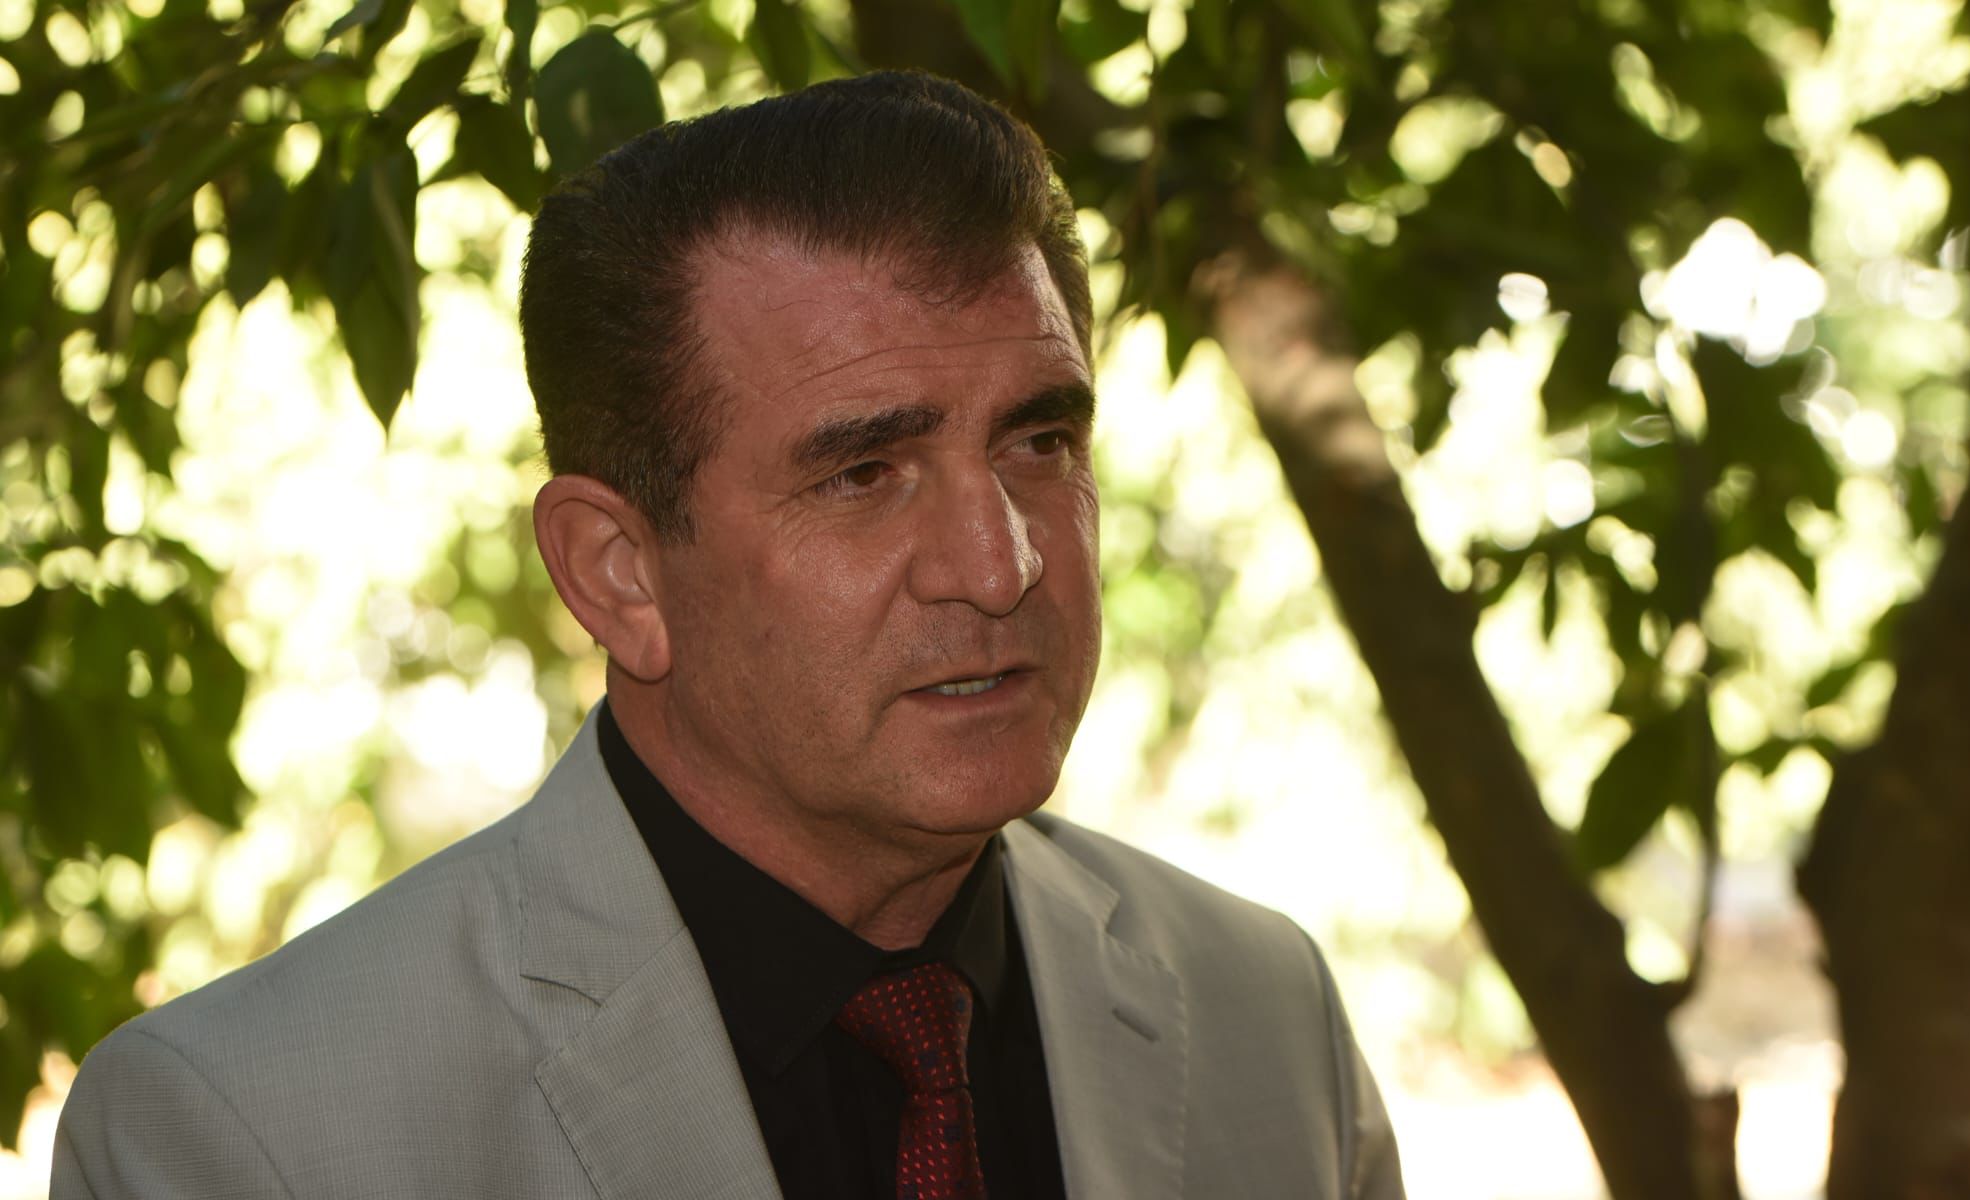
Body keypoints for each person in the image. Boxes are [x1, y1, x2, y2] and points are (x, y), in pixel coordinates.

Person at [50, 72, 1404, 1199]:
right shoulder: (254, 1134)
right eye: (863, 474)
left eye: (1040, 441)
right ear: (618, 574)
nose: (1003, 564)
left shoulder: (1260, 1014)